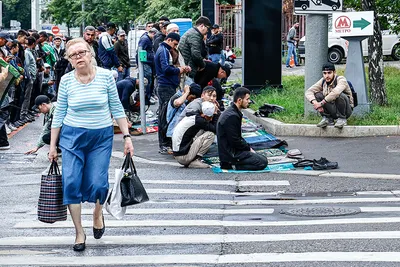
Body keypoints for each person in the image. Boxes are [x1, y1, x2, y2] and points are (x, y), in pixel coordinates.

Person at [48, 38, 134, 252]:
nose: (78, 57)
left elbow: (116, 106)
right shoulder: (67, 81)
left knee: (98, 184)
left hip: (100, 137)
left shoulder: (105, 77)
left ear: (90, 54)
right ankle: (79, 232)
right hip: (72, 137)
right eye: (73, 55)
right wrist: (52, 145)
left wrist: (127, 136)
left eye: (82, 52)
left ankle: (97, 212)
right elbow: (58, 113)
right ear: (69, 59)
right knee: (71, 183)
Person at [217, 87, 268, 170]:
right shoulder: (232, 116)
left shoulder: (234, 112)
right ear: (239, 100)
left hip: (232, 151)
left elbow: (237, 138)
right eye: (247, 99)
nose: (249, 101)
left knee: (261, 157)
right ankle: (233, 165)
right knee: (262, 162)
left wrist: (248, 149)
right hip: (231, 155)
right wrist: (248, 149)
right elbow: (235, 141)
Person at [305, 62, 354, 129]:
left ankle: (342, 119)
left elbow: (335, 93)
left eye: (329, 73)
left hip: (346, 110)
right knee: (318, 95)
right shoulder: (323, 81)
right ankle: (327, 118)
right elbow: (309, 91)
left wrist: (321, 103)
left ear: (334, 72)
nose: (327, 76)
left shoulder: (341, 79)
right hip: (332, 108)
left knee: (339, 95)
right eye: (324, 73)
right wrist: (316, 103)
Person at [172, 101, 218, 168]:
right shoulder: (199, 121)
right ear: (204, 115)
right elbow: (215, 129)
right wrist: (216, 113)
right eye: (211, 117)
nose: (211, 119)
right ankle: (196, 159)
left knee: (202, 130)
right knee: (210, 134)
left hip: (179, 154)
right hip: (183, 156)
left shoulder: (193, 116)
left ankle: (192, 158)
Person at [159, 83, 201, 154]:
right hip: (171, 133)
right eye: (192, 98)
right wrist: (187, 92)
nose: (192, 100)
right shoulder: (176, 97)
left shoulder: (187, 101)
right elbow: (178, 103)